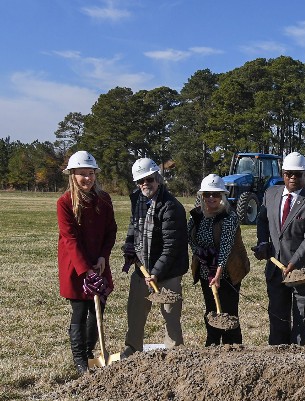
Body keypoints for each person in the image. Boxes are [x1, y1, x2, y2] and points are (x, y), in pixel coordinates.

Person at [254, 152, 305, 346]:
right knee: (277, 320)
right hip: (276, 270)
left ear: (304, 175)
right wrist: (263, 242)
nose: (293, 178)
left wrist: (294, 263)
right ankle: (278, 360)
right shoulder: (270, 194)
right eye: (289, 174)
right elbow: (262, 220)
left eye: (297, 174)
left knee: (302, 321)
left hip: (303, 272)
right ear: (283, 173)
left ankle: (298, 361)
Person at [122, 157, 188, 357]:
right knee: (135, 311)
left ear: (157, 179)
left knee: (170, 314)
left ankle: (174, 353)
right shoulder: (137, 200)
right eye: (140, 181)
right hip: (143, 268)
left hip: (168, 271)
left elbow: (171, 246)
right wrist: (129, 246)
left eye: (149, 179)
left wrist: (157, 273)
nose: (145, 184)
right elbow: (134, 226)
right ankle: (132, 347)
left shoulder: (171, 207)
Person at [57, 151, 116, 374]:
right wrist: (85, 271)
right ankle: (80, 359)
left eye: (90, 173)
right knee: (80, 310)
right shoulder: (64, 203)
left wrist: (103, 257)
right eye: (82, 174)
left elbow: (111, 230)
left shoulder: (104, 199)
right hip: (76, 265)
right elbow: (69, 239)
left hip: (98, 262)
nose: (88, 179)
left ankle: (90, 351)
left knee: (99, 305)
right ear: (72, 175)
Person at [187, 174, 248, 346]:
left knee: (228, 314)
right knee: (211, 311)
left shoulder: (230, 217)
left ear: (223, 196)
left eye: (216, 194)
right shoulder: (197, 215)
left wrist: (218, 271)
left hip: (228, 273)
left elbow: (226, 248)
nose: (211, 198)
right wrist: (200, 253)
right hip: (207, 272)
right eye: (207, 194)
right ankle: (212, 345)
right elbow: (189, 237)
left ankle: (233, 348)